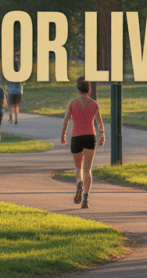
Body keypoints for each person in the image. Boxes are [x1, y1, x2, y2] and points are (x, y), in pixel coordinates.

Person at [61, 76, 105, 209]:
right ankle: (85, 198)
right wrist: (102, 135)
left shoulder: (72, 103)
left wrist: (63, 135)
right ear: (89, 89)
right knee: (88, 169)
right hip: (90, 137)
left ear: (78, 89)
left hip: (77, 137)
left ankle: (79, 182)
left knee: (78, 168)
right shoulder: (94, 104)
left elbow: (66, 121)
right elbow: (99, 122)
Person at [6, 50, 24, 124]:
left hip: (11, 90)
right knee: (17, 105)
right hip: (19, 90)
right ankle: (16, 119)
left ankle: (11, 117)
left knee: (11, 105)